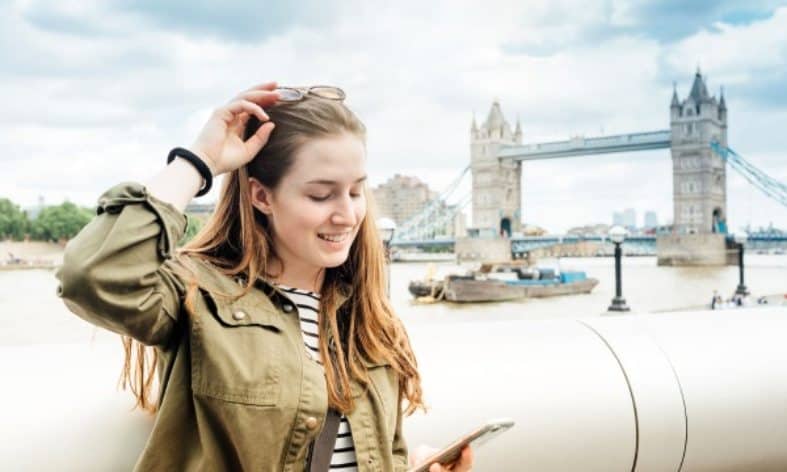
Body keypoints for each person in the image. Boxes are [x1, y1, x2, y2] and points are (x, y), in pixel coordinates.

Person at [55, 82, 472, 472]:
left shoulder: (371, 320)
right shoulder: (200, 296)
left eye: (356, 191)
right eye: (321, 194)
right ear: (261, 196)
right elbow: (92, 275)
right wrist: (199, 161)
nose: (347, 215)